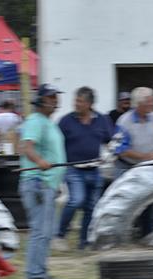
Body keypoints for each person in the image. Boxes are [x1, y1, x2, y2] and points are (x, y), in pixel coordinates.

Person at [18, 84, 67, 279]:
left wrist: (55, 184)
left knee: (46, 233)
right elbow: (26, 147)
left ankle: (41, 273)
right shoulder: (34, 121)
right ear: (41, 100)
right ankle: (34, 278)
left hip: (48, 184)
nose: (56, 101)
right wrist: (39, 161)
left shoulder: (48, 122)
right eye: (51, 97)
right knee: (39, 232)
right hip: (37, 182)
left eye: (56, 97)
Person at [52, 87, 113, 251]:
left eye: (80, 101)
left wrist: (110, 154)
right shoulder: (66, 121)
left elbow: (109, 141)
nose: (76, 104)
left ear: (90, 103)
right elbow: (55, 144)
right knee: (76, 200)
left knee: (91, 206)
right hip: (72, 168)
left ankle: (84, 243)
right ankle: (59, 235)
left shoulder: (101, 120)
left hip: (94, 168)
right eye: (75, 100)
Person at [115, 87, 153, 236]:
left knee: (150, 199)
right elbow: (121, 149)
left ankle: (148, 233)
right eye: (150, 101)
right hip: (126, 166)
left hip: (148, 167)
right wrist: (145, 156)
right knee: (125, 201)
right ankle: (122, 234)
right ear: (139, 104)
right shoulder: (124, 121)